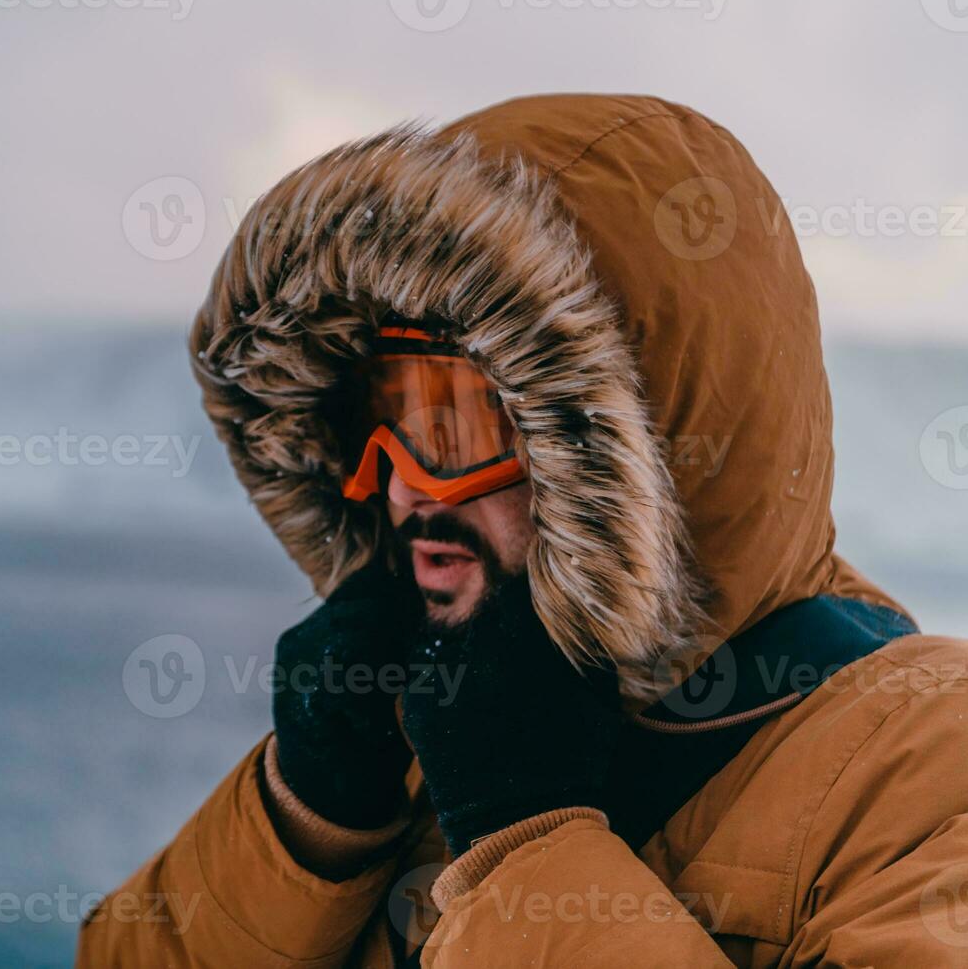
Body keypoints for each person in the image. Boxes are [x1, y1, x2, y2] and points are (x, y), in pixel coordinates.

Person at [76, 93, 968, 967]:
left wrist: (525, 849)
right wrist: (306, 825)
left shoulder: (927, 766)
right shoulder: (438, 725)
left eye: (451, 423)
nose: (396, 494)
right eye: (371, 423)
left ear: (631, 450)